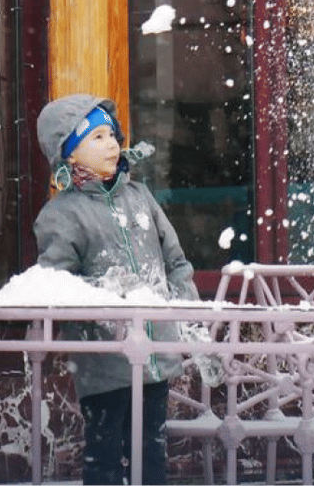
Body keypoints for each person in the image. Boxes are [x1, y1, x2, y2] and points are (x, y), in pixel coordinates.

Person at [34, 93, 201, 486]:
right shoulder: (61, 214)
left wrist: (181, 312)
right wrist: (108, 294)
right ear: (69, 155)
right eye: (97, 138)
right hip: (105, 362)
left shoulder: (140, 198)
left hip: (157, 355)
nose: (111, 144)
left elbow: (176, 262)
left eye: (112, 135)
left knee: (150, 456)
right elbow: (55, 283)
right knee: (105, 457)